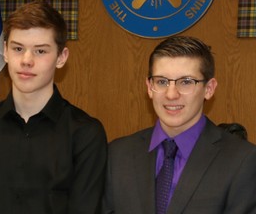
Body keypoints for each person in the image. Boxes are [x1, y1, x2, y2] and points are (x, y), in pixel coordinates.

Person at [0, 1, 107, 214]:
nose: (26, 60)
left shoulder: (86, 134)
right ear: (5, 52)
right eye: (18, 48)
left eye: (40, 51)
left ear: (61, 58)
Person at [102, 36, 256, 214]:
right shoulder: (118, 154)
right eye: (161, 81)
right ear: (149, 87)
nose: (171, 94)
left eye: (186, 82)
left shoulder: (243, 160)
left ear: (209, 89)